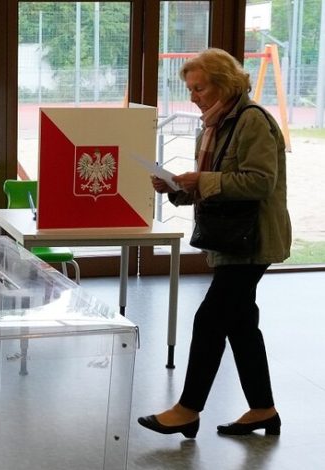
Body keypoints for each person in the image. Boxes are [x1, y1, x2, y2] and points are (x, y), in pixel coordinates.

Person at [138, 48, 291, 438]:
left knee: (209, 319)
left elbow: (260, 182)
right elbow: (213, 185)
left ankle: (188, 409)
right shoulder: (213, 125)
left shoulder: (252, 121)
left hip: (253, 239)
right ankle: (263, 409)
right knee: (240, 324)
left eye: (200, 88)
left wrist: (200, 181)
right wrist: (176, 188)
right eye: (190, 89)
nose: (193, 97)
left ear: (224, 84)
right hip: (232, 239)